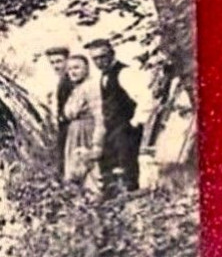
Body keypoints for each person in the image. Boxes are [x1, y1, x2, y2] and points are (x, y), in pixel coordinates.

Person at [84, 38, 157, 194]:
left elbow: (146, 98)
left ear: (112, 54)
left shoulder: (124, 73)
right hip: (112, 129)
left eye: (102, 57)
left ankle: (132, 198)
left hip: (125, 128)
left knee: (128, 166)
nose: (99, 62)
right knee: (111, 166)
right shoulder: (103, 76)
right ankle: (115, 200)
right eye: (94, 59)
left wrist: (135, 122)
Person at [62, 54, 104, 190]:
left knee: (88, 171)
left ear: (86, 69)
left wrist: (97, 143)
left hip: (86, 133)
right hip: (75, 134)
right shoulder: (76, 89)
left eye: (77, 68)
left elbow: (99, 115)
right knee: (74, 173)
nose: (72, 72)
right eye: (69, 69)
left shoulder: (91, 87)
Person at [44, 45, 73, 176]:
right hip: (63, 126)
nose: (56, 66)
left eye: (59, 61)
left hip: (71, 126)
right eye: (52, 63)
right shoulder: (60, 81)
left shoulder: (70, 80)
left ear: (67, 60)